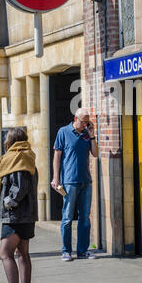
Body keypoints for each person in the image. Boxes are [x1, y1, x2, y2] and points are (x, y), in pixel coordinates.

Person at [0, 127, 38, 283]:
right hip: (27, 215)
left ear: (10, 141)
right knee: (23, 253)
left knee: (5, 253)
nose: (5, 142)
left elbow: (20, 187)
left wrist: (7, 202)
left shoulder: (17, 157)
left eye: (6, 139)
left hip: (16, 216)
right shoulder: (28, 156)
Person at [51, 108, 99, 261]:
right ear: (75, 118)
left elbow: (96, 154)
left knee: (85, 217)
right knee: (67, 218)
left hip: (86, 181)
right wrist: (55, 178)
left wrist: (92, 136)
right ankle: (66, 251)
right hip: (69, 181)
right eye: (83, 121)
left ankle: (83, 251)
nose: (85, 124)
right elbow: (57, 156)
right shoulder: (63, 132)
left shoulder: (87, 134)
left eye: (87, 121)